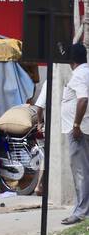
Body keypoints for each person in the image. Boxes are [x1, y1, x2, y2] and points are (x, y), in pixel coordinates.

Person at [33, 42, 89, 223]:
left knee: (80, 172)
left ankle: (81, 212)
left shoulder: (80, 75)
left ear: (71, 59)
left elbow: (83, 99)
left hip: (79, 132)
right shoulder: (84, 73)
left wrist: (76, 125)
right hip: (82, 129)